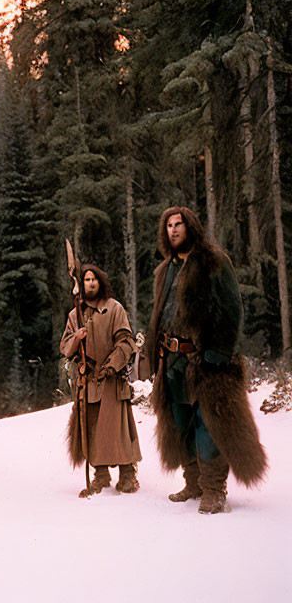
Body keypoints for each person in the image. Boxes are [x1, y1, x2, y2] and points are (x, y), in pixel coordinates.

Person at [142, 206, 267, 513]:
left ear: (191, 227)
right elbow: (160, 314)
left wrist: (216, 354)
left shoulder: (213, 261)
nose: (173, 230)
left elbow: (231, 309)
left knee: (207, 423)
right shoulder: (165, 270)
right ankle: (194, 482)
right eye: (168, 225)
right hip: (170, 361)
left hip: (205, 361)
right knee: (179, 423)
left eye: (179, 224)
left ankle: (214, 489)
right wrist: (153, 355)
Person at [60, 265, 141, 497]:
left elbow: (126, 341)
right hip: (88, 381)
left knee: (118, 428)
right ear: (81, 284)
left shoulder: (114, 308)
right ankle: (101, 474)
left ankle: (128, 475)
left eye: (95, 279)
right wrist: (77, 338)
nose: (91, 283)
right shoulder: (75, 315)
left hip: (112, 379)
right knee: (92, 427)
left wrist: (112, 364)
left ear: (101, 281)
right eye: (87, 279)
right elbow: (65, 348)